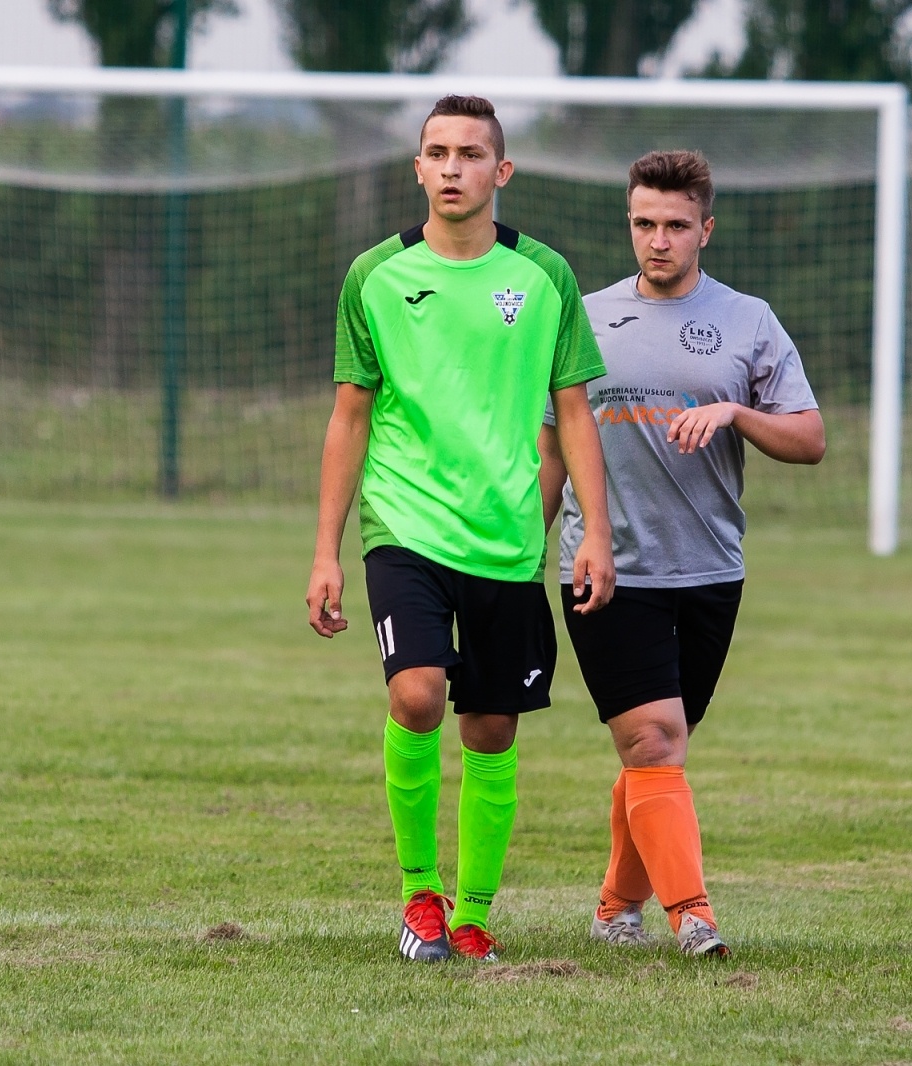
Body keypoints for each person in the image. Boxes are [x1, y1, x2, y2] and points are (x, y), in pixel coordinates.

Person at [306, 95, 615, 963]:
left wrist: (593, 533)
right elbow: (348, 417)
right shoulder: (375, 275)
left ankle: (475, 911)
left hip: (509, 537)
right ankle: (420, 898)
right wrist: (326, 552)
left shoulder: (546, 277)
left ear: (501, 172)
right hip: (402, 525)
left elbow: (576, 415)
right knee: (417, 693)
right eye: (436, 152)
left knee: (490, 726)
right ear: (416, 168)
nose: (452, 167)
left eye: (470, 154)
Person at [539, 149, 826, 957]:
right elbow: (551, 444)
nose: (657, 240)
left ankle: (610, 909)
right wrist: (520, 553)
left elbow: (809, 439)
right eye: (643, 224)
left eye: (673, 225)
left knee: (656, 754)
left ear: (706, 228)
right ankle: (693, 916)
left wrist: (736, 412)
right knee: (654, 741)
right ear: (628, 224)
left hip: (709, 570)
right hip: (603, 567)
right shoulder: (582, 317)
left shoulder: (749, 320)